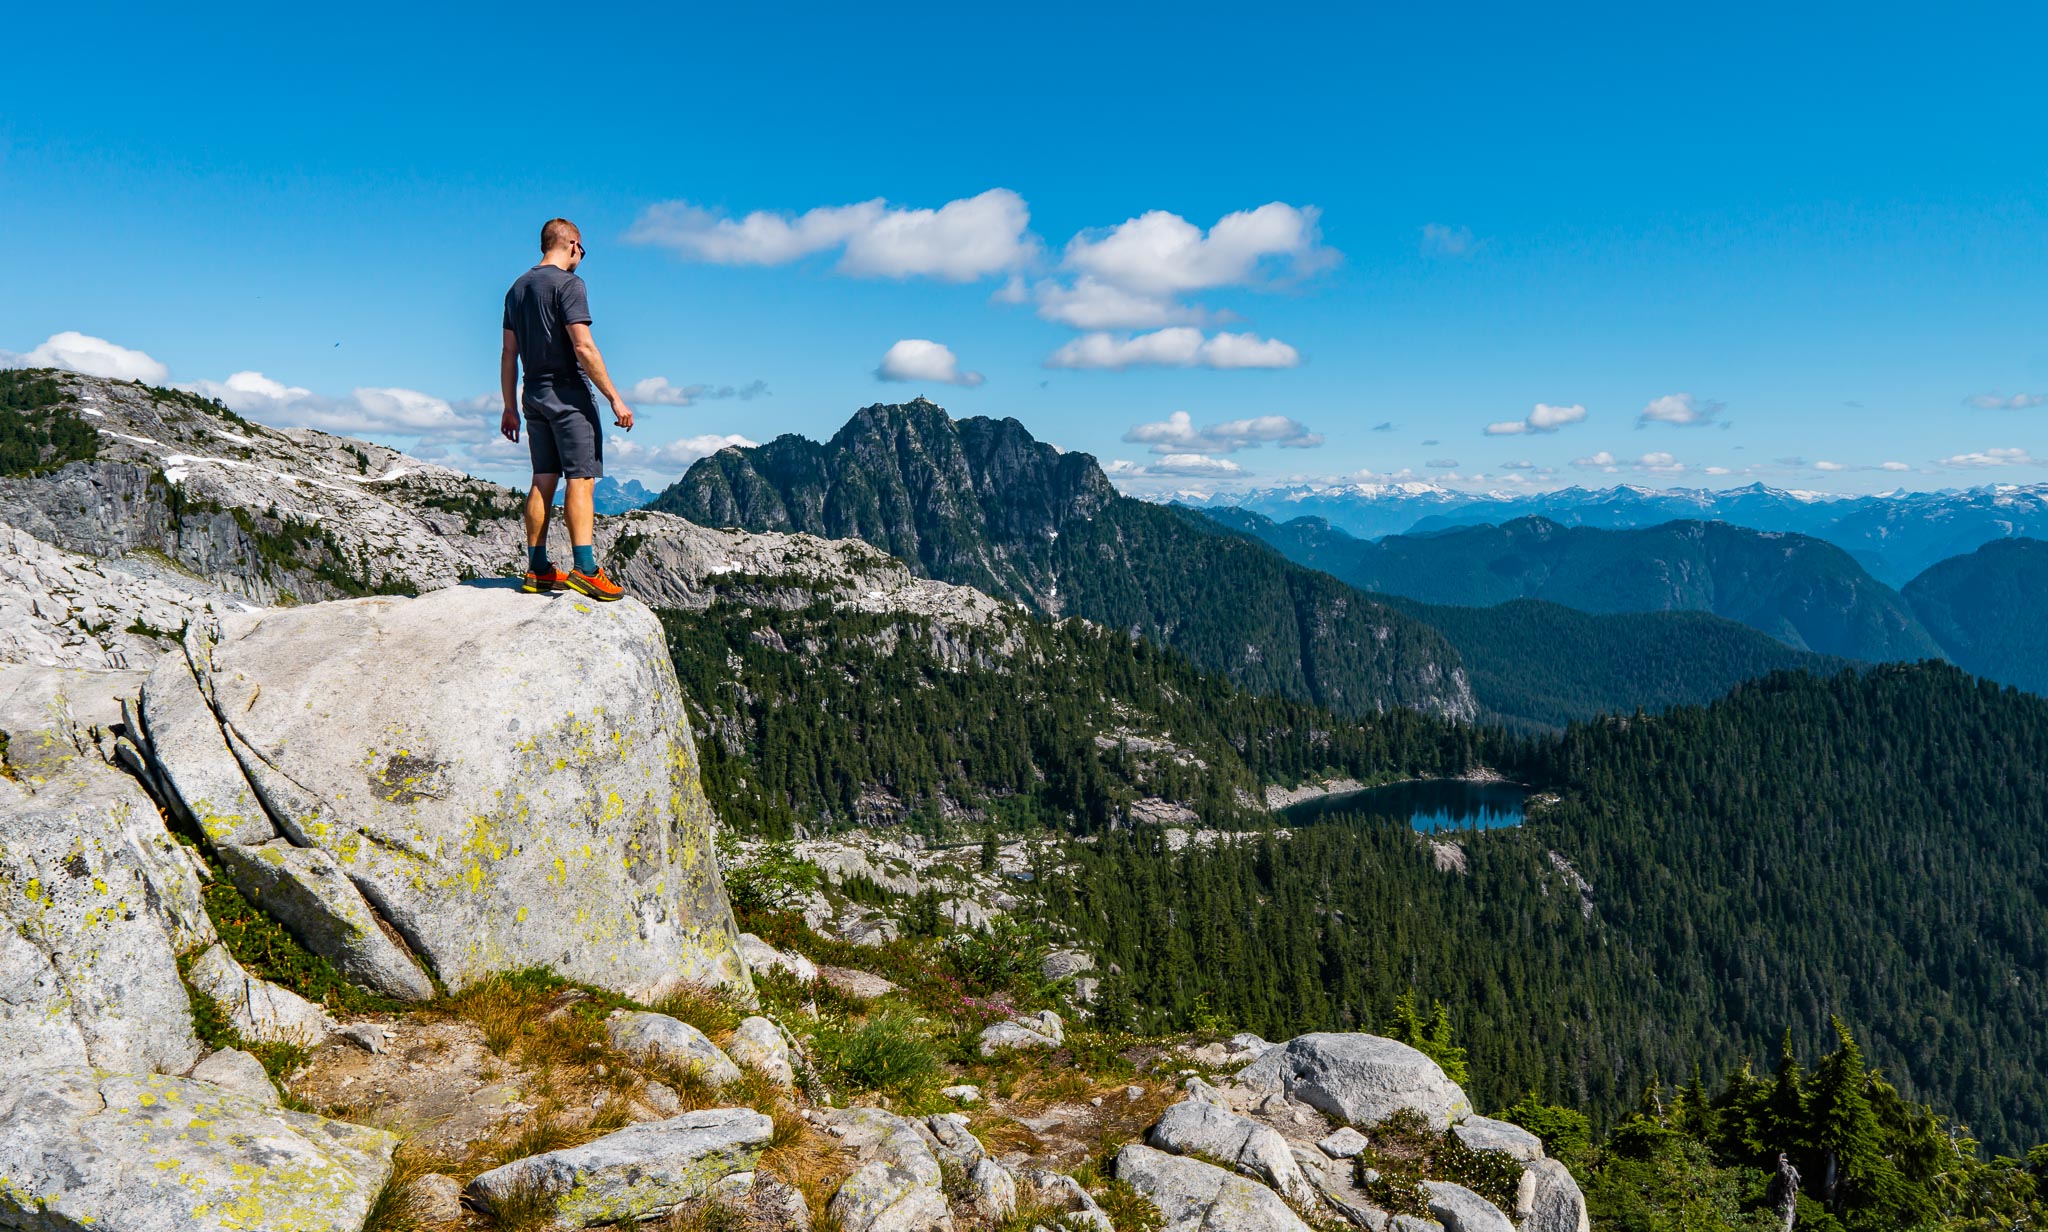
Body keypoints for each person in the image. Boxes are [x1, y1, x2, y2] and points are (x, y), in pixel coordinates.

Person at [500, 217, 634, 600]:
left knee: (543, 478)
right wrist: (614, 398)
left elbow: (509, 353)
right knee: (581, 479)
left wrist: (510, 406)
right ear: (572, 244)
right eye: (583, 251)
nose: (582, 258)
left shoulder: (516, 289)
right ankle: (586, 569)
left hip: (533, 395)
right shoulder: (569, 284)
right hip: (569, 395)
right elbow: (583, 347)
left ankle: (538, 569)